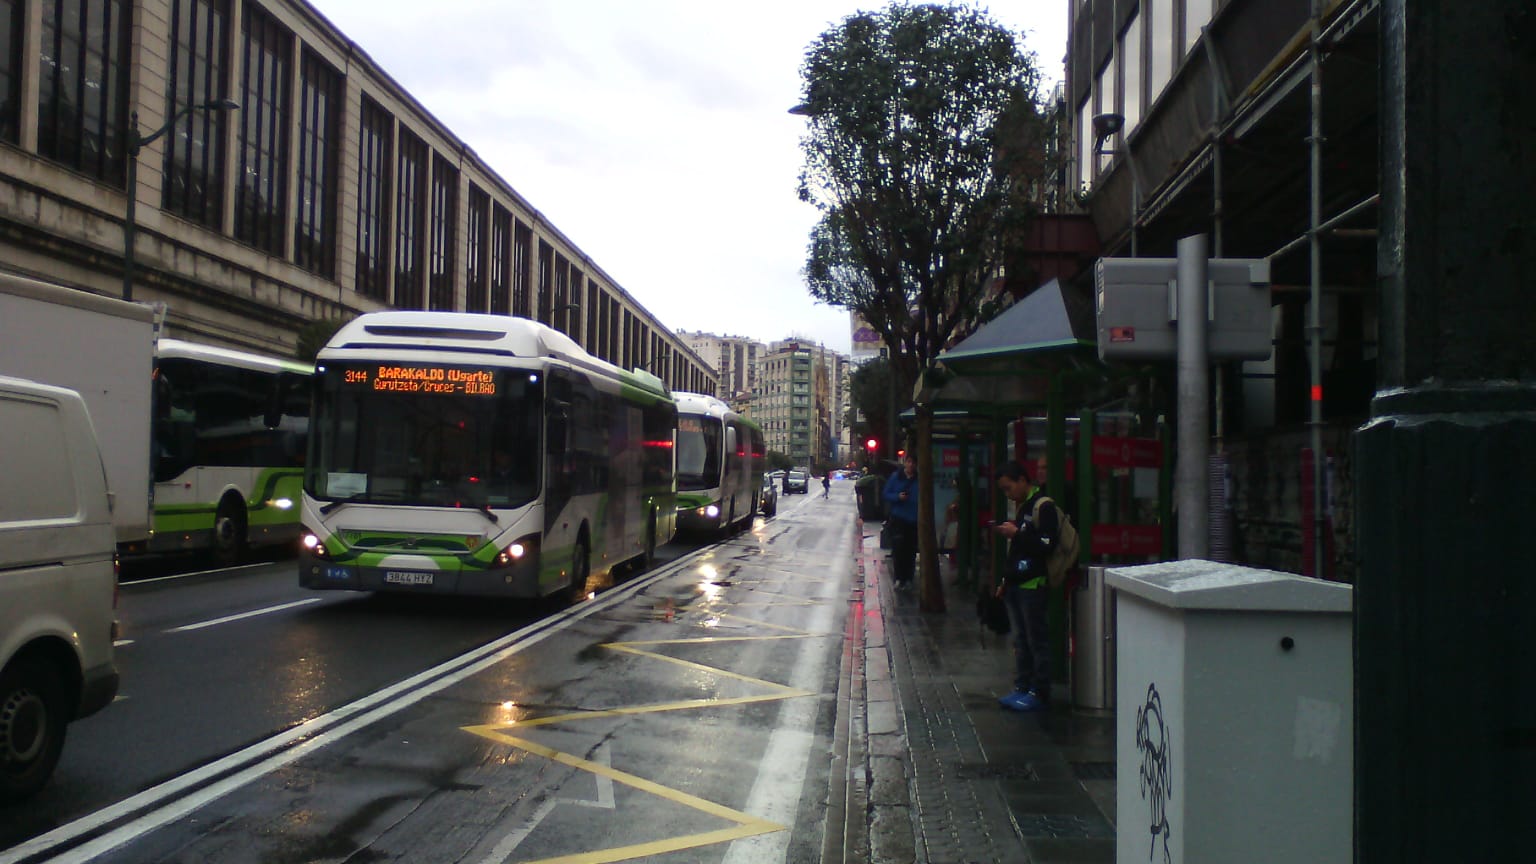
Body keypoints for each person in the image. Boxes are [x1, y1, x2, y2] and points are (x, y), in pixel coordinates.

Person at [990, 462, 1061, 712]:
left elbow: (1046, 544)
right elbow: (1018, 551)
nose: (1008, 494)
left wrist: (1016, 534)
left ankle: (1038, 691)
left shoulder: (1043, 506)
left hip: (1034, 583)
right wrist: (1006, 580)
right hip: (1018, 583)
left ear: (1022, 480)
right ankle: (1022, 686)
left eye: (1009, 488)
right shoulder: (1023, 508)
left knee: (1035, 638)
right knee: (1021, 639)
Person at [882, 454, 920, 591]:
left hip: (913, 519)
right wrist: (897, 497)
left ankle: (908, 578)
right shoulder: (896, 477)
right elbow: (886, 493)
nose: (910, 465)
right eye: (908, 462)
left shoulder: (919, 479)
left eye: (913, 463)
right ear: (905, 463)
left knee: (911, 550)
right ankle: (899, 578)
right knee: (898, 549)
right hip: (898, 519)